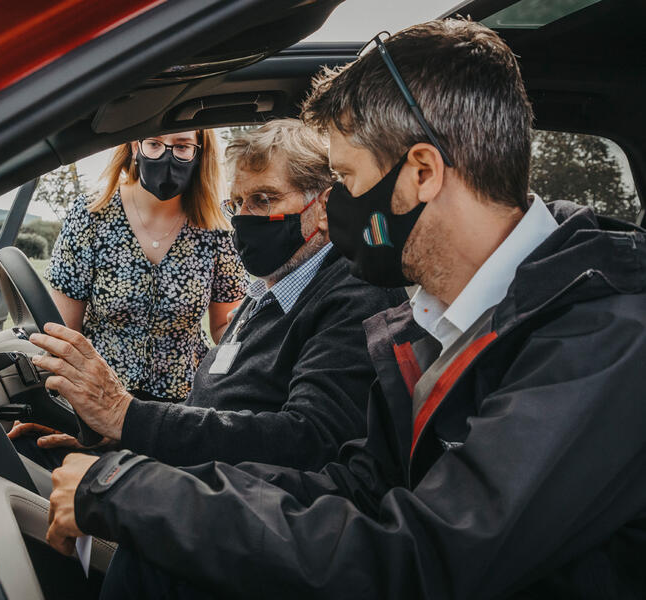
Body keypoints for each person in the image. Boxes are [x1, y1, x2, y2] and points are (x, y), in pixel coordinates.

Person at [44, 19, 646, 599]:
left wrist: (135, 494)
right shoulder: (439, 322)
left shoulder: (603, 335)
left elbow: (421, 561)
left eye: (348, 181)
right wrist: (143, 485)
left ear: (421, 173)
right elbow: (354, 489)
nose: (332, 214)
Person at [21, 119, 405, 471]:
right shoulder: (273, 288)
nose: (243, 220)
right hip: (176, 457)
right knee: (30, 451)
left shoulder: (353, 300)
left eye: (263, 200)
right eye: (237, 204)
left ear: (323, 207)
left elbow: (307, 441)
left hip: (212, 497)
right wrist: (121, 439)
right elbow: (217, 408)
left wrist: (128, 419)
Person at [45, 130, 247, 403]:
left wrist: (252, 346)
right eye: (154, 144)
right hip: (100, 396)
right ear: (134, 146)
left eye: (183, 146)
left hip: (184, 404)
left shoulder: (218, 225)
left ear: (200, 153)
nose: (167, 156)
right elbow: (65, 332)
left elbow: (225, 325)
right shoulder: (91, 214)